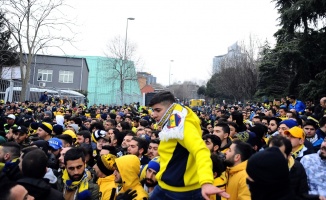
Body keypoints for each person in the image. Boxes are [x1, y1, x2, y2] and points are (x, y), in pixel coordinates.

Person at [148, 91, 229, 200]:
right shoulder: (175, 120)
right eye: (153, 110)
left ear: (171, 108)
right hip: (165, 186)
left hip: (181, 192)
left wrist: (206, 182)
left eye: (158, 110)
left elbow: (201, 151)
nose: (154, 114)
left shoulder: (183, 125)